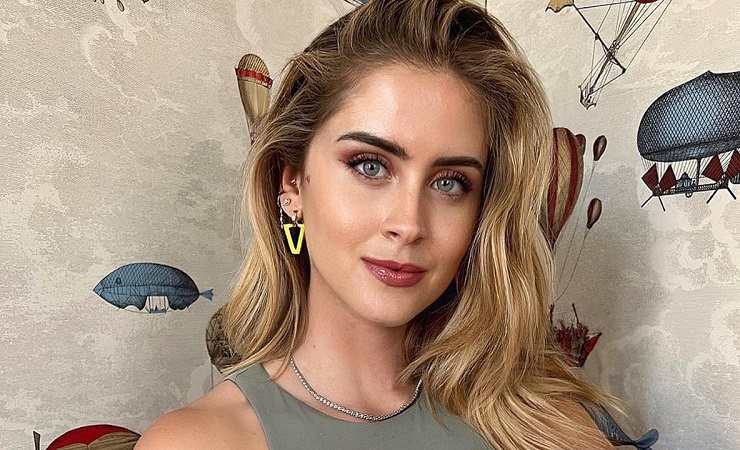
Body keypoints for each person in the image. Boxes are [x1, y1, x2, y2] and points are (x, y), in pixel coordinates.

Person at [135, 0, 627, 448]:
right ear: (292, 183)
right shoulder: (200, 441)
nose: (409, 224)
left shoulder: (546, 423)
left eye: (450, 182)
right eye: (370, 165)